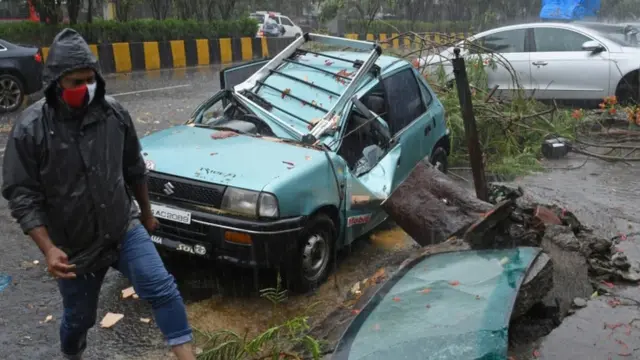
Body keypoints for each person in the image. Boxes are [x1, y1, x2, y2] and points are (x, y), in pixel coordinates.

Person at [1, 28, 196, 360]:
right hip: (74, 246)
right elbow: (22, 195)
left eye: (89, 80)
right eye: (75, 82)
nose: (84, 89)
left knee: (160, 287)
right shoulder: (31, 128)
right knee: (80, 320)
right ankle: (72, 353)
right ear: (55, 83)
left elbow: (134, 167)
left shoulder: (114, 114)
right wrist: (48, 249)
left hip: (123, 228)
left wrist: (146, 214)